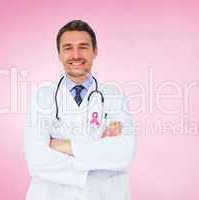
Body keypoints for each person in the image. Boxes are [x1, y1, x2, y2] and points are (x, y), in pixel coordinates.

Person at [24, 20, 137, 200]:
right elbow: (37, 160)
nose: (76, 55)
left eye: (83, 47)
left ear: (95, 51)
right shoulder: (42, 97)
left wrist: (61, 145)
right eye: (68, 48)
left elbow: (124, 151)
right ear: (59, 54)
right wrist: (99, 153)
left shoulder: (113, 95)